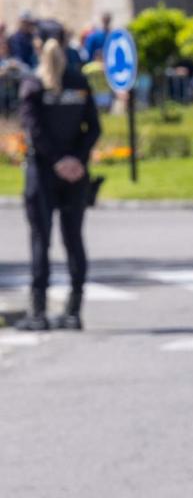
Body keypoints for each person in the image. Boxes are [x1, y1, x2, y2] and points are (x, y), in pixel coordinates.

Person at [16, 38, 102, 331]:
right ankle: (74, 311)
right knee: (74, 238)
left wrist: (57, 161)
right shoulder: (79, 82)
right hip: (75, 175)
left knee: (41, 240)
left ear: (38, 49)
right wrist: (76, 160)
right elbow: (93, 127)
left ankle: (38, 313)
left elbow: (33, 130)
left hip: (43, 172)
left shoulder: (33, 84)